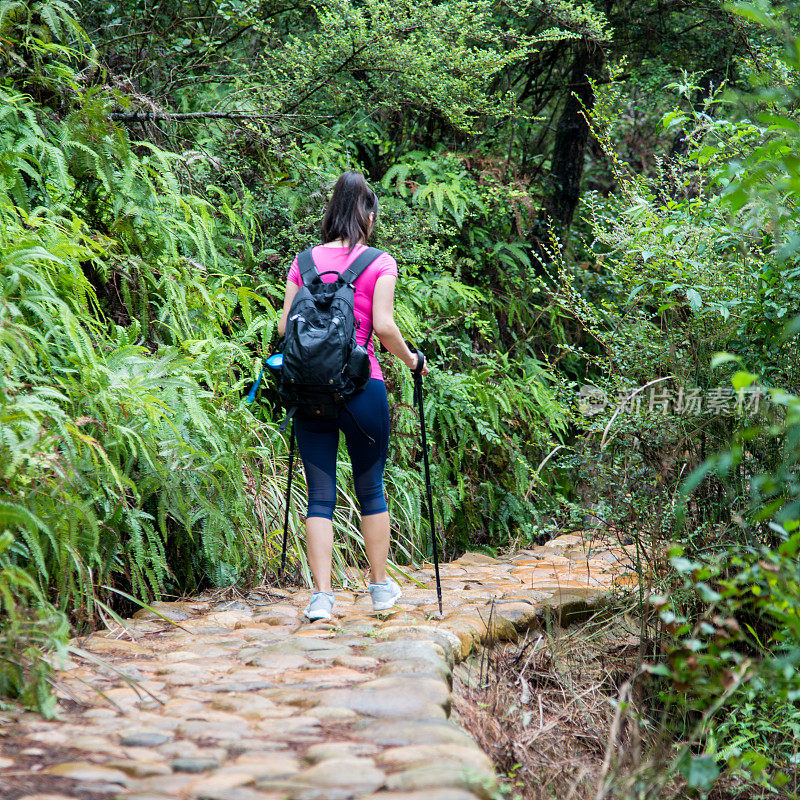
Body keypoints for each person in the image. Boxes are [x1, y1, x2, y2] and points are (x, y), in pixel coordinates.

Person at [278, 170, 428, 621]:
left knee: (319, 495)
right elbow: (383, 327)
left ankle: (321, 597)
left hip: (310, 392)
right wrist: (413, 361)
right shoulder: (380, 261)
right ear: (368, 214)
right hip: (364, 388)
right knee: (371, 487)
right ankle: (380, 589)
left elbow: (286, 328)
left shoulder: (303, 262)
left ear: (330, 212)